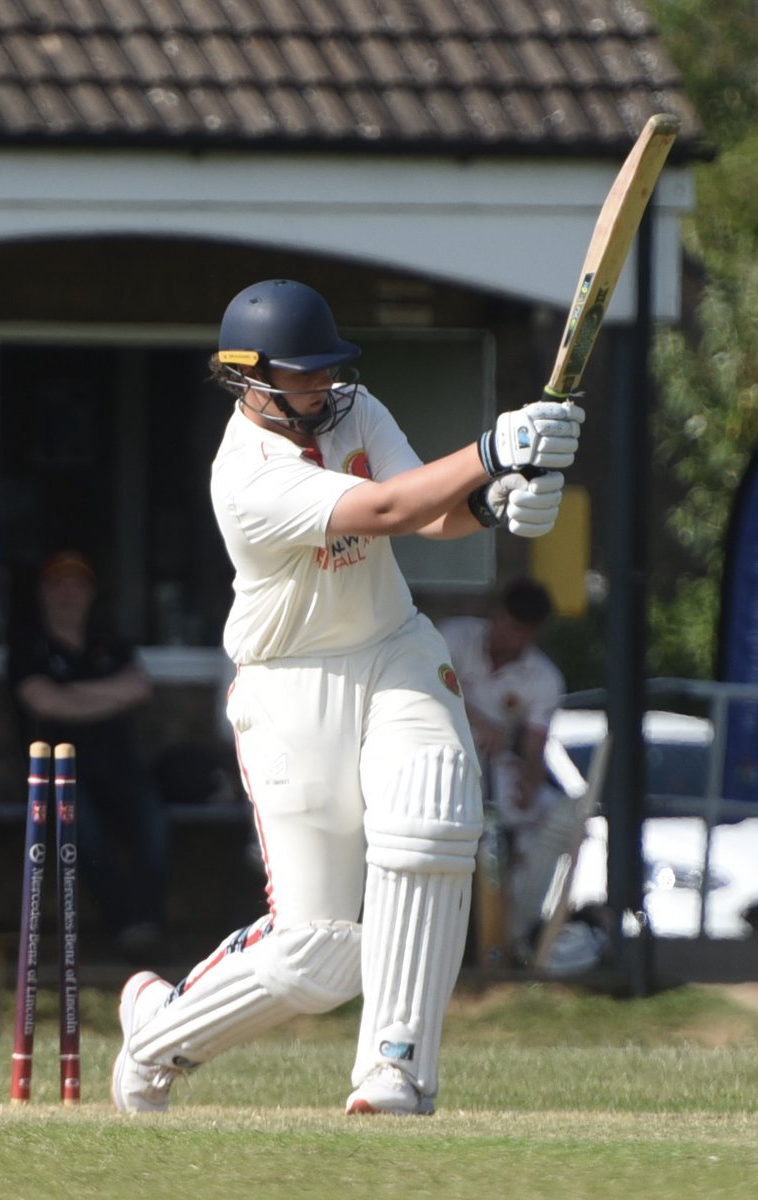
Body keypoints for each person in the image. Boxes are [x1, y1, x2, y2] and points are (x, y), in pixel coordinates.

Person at [111, 277, 583, 1117]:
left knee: (434, 813)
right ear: (247, 380)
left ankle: (392, 1071)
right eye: (303, 376)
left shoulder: (352, 406)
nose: (322, 389)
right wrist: (490, 450)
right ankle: (157, 1033)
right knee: (317, 958)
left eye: (327, 371)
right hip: (290, 687)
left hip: (393, 648)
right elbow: (385, 506)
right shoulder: (246, 476)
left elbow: (432, 518)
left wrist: (497, 500)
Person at [7, 550, 170, 961]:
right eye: (57, 584)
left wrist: (72, 691)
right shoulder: (28, 644)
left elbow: (140, 688)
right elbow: (42, 702)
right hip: (56, 771)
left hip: (117, 762)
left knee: (154, 822)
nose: (68, 593)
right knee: (82, 830)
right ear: (42, 592)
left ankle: (148, 924)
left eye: (76, 584)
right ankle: (124, 926)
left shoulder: (106, 640)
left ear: (90, 592)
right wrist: (107, 694)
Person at [439, 579, 587, 961]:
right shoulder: (453, 637)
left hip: (493, 770)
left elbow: (535, 743)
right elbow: (425, 686)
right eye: (505, 623)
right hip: (437, 761)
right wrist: (478, 720)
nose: (507, 635)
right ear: (496, 614)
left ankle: (512, 938)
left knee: (563, 819)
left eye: (519, 630)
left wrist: (530, 782)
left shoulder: (544, 677)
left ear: (534, 633)